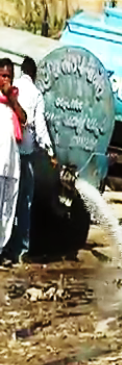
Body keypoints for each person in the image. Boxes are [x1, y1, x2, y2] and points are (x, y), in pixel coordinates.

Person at [5, 57, 54, 264]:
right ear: (33, 74)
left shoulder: (10, 89)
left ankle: (4, 247)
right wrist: (50, 152)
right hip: (24, 155)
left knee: (7, 202)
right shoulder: (36, 94)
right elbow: (40, 127)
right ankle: (21, 250)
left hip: (7, 152)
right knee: (24, 202)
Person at [0, 58, 26, 261]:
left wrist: (12, 99)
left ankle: (1, 248)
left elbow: (24, 118)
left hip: (11, 164)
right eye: (3, 76)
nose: (6, 80)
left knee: (9, 208)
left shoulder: (15, 100)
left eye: (9, 76)